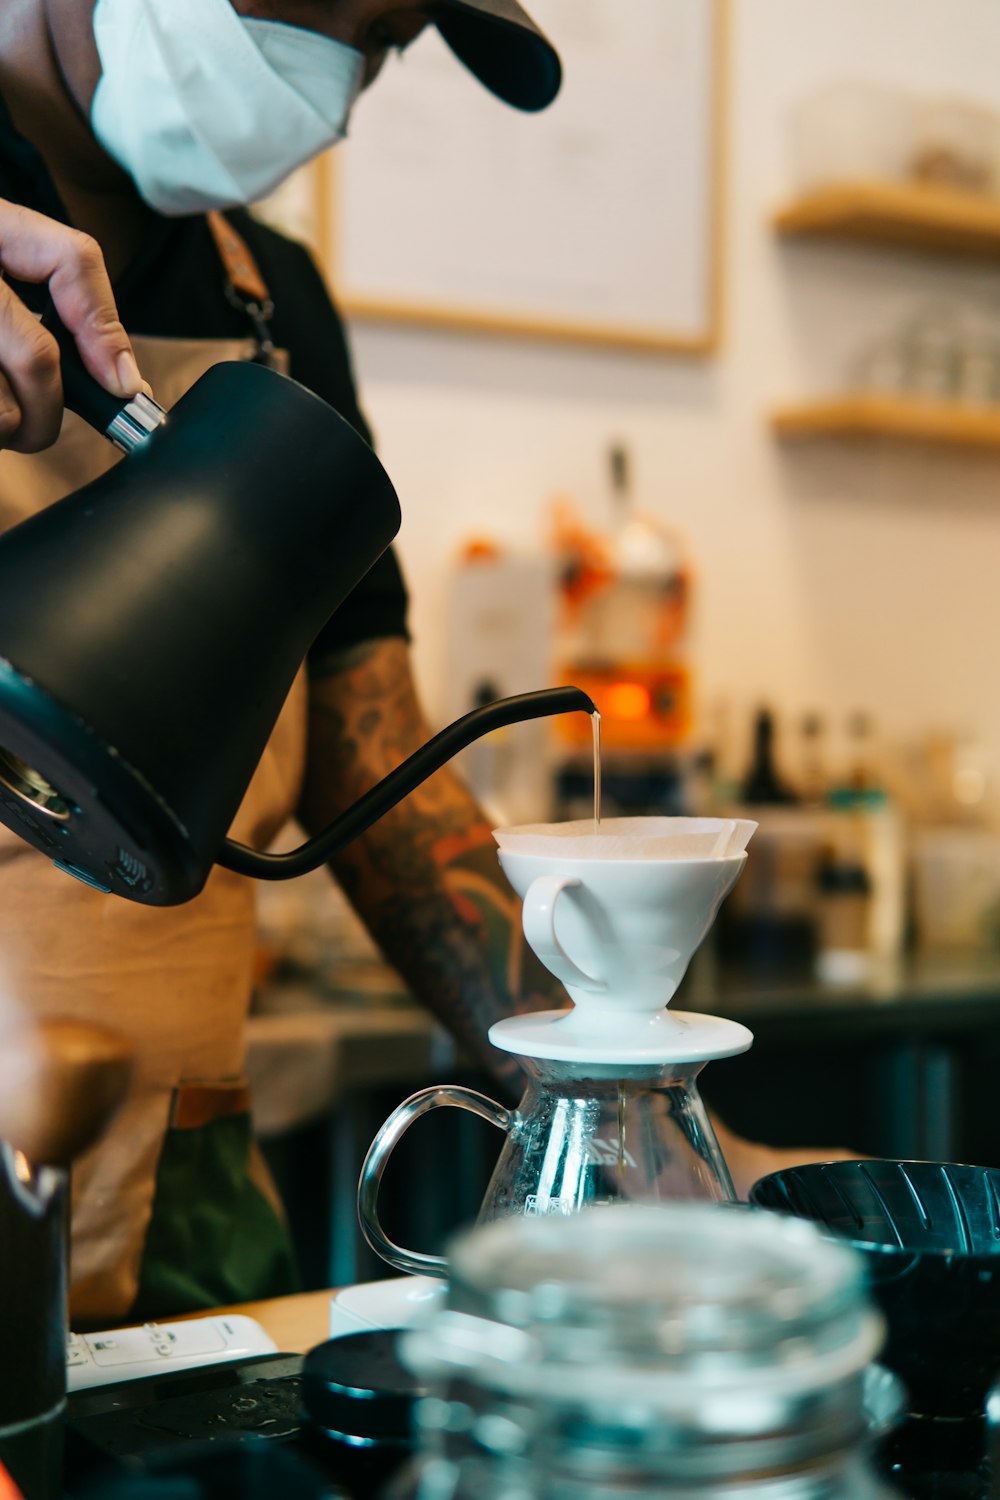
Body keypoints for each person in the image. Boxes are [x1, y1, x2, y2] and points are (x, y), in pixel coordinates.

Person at [0, 0, 846, 1326]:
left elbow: (384, 783)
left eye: (385, 42)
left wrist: (653, 1134)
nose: (337, 91)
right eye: (329, 8)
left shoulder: (273, 309)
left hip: (183, 1202)